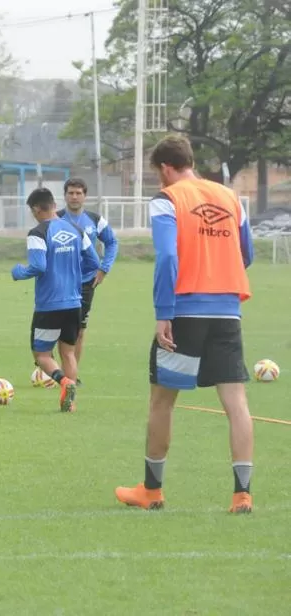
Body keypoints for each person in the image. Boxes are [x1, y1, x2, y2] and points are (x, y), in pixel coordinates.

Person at [115, 134, 255, 514]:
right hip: (227, 310)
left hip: (185, 311)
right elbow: (247, 254)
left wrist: (164, 312)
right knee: (236, 403)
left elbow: (166, 259)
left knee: (162, 401)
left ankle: (151, 491)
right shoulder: (231, 198)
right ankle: (242, 493)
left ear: (165, 168)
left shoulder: (167, 199)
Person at [11, 187, 100, 413]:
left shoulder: (37, 233)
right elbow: (93, 261)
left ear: (36, 209)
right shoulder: (76, 229)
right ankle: (71, 404)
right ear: (53, 204)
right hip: (74, 302)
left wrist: (19, 272)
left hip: (50, 304)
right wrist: (73, 275)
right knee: (68, 353)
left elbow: (39, 266)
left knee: (41, 355)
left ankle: (64, 382)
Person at [57, 177, 119, 378]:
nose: (74, 197)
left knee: (79, 331)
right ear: (65, 195)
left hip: (85, 282)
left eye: (78, 193)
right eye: (70, 193)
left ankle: (71, 375)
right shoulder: (55, 219)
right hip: (59, 283)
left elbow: (112, 243)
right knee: (55, 328)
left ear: (85, 196)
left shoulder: (95, 220)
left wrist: (104, 269)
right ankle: (51, 370)